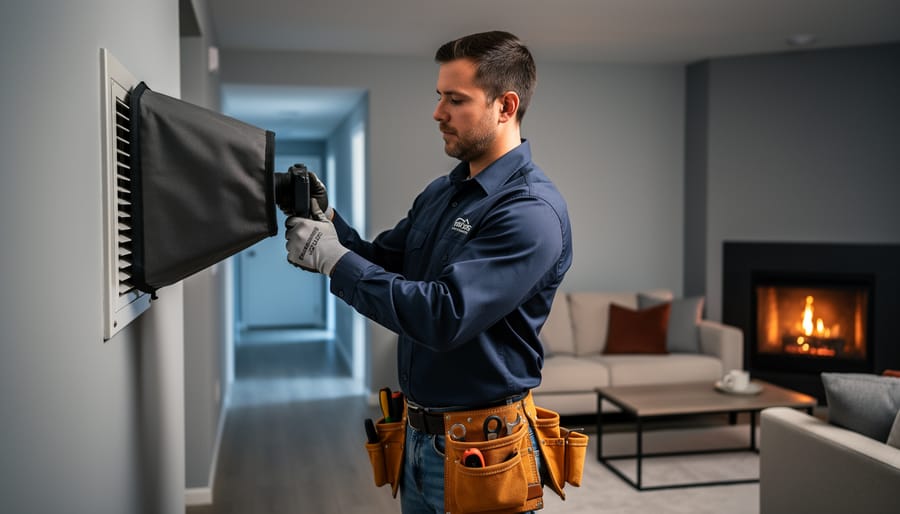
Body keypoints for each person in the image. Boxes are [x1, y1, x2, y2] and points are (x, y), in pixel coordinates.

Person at [284, 30, 572, 514]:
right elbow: (387, 262)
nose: (438, 113)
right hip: (419, 440)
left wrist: (331, 258)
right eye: (439, 97)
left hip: (485, 452)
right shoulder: (442, 192)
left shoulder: (530, 212)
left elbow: (444, 315)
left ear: (506, 106)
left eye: (455, 100)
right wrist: (328, 222)